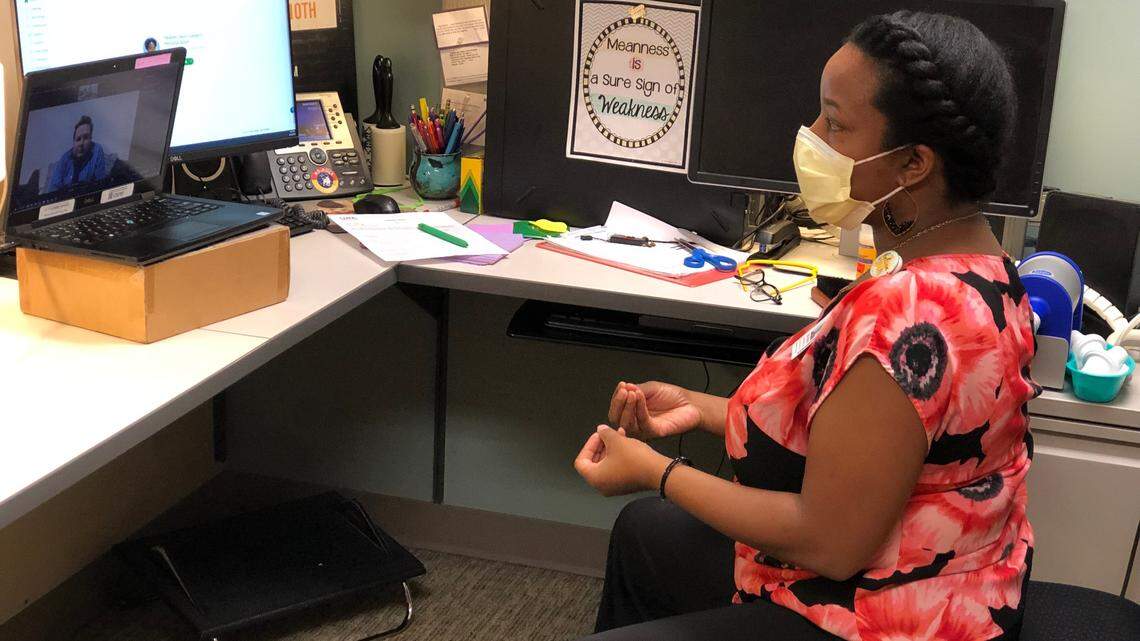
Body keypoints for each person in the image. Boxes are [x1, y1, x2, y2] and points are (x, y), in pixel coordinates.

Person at [574, 11, 1038, 641]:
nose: (812, 137)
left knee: (653, 512)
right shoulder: (992, 273)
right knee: (646, 532)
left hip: (885, 617)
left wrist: (654, 469)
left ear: (912, 165)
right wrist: (701, 408)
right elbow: (863, 441)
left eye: (836, 124)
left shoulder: (909, 319)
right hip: (952, 575)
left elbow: (830, 543)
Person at [47, 115, 110, 193]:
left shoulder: (97, 150)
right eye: (78, 139)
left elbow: (101, 183)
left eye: (86, 137)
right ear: (74, 142)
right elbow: (53, 190)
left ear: (91, 139)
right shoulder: (64, 159)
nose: (81, 143)